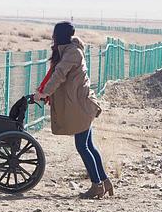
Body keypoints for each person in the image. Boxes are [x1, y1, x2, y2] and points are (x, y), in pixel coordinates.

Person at [33, 21, 113, 199]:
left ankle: (97, 185)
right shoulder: (70, 51)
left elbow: (59, 75)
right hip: (81, 103)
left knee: (82, 146)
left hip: (80, 105)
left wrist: (44, 93)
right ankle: (105, 181)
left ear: (58, 35)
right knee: (88, 146)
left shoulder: (72, 53)